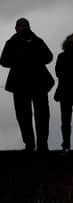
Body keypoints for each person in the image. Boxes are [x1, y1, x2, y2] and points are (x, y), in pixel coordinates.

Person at [0, 18, 54, 153]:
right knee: (38, 115)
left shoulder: (13, 42)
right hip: (34, 83)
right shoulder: (36, 41)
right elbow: (48, 57)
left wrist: (20, 61)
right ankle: (39, 145)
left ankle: (33, 145)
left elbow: (4, 61)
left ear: (17, 28)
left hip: (23, 84)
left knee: (27, 115)